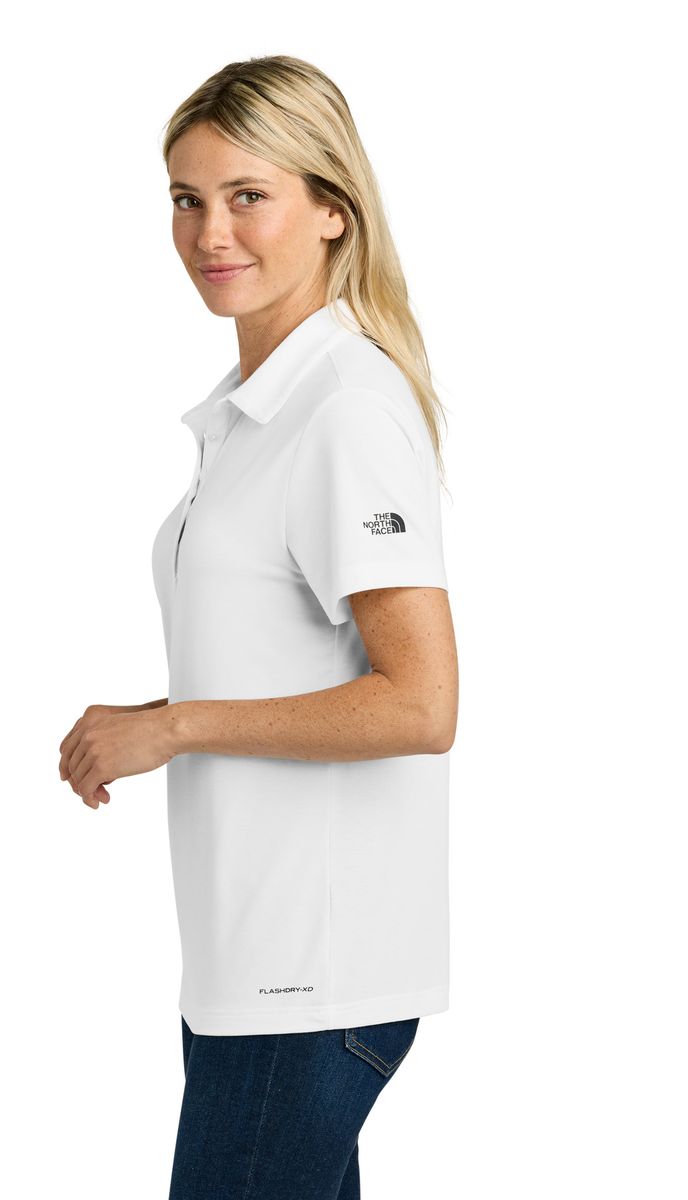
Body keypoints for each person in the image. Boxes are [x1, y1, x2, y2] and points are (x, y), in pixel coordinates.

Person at [59, 54, 458, 1200]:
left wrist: (175, 727)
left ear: (332, 209)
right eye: (186, 199)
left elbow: (419, 703)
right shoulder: (257, 417)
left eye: (248, 196)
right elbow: (286, 658)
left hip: (311, 977)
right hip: (252, 968)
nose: (209, 233)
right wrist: (153, 716)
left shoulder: (344, 408)